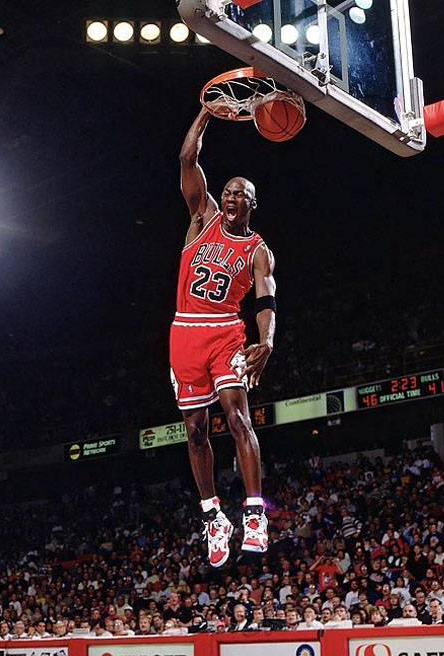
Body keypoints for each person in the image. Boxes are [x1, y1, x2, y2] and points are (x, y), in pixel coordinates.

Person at [173, 108, 277, 568]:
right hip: (184, 333)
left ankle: (255, 513)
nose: (233, 196)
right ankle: (214, 518)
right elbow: (186, 156)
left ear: (253, 204)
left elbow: (266, 299)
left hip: (225, 334)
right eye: (229, 190)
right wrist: (205, 112)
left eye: (242, 193)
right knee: (195, 433)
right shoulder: (203, 216)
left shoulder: (258, 250)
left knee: (237, 419)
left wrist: (266, 341)